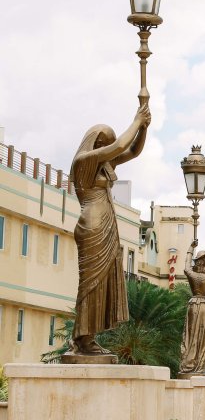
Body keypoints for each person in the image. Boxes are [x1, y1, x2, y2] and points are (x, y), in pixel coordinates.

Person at [68, 105, 151, 357]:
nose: (111, 146)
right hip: (92, 225)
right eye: (106, 142)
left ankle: (89, 337)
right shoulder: (84, 161)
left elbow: (133, 150)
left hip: (106, 225)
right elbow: (117, 148)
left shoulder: (103, 164)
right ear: (95, 143)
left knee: (102, 282)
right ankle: (83, 338)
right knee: (90, 283)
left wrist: (144, 127)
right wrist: (136, 121)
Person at [178, 239, 205, 377]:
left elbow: (186, 266)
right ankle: (198, 367)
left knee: (190, 336)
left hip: (192, 305)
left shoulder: (192, 275)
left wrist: (191, 248)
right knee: (202, 338)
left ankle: (187, 364)